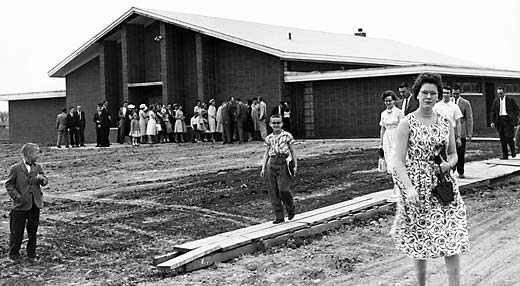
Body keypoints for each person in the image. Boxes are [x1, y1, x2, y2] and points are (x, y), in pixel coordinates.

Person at [392, 72, 469, 286]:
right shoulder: (407, 123)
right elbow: (397, 161)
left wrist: (449, 164)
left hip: (443, 186)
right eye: (424, 92)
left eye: (433, 93)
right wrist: (409, 188)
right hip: (416, 186)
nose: (428, 97)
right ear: (417, 95)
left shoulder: (446, 122)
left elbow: (453, 154)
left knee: (452, 236)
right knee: (420, 238)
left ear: (438, 96)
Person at [5, 143, 48, 263]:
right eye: (37, 152)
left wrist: (43, 179)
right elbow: (9, 184)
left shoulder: (38, 167)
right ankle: (14, 254)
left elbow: (45, 180)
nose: (38, 155)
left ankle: (31, 254)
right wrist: (17, 197)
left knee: (33, 231)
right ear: (29, 153)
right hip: (20, 206)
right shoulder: (16, 168)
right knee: (16, 231)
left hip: (35, 204)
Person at [260, 114, 297, 224]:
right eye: (274, 123)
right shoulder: (269, 138)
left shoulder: (287, 136)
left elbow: (293, 151)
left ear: (282, 123)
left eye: (278, 122)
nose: (276, 125)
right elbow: (266, 153)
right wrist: (263, 167)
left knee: (283, 189)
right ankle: (279, 215)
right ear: (270, 124)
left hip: (284, 162)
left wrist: (295, 165)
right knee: (273, 190)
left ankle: (290, 207)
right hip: (272, 163)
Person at [378, 90, 404, 202]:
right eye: (386, 101)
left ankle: (399, 187)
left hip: (397, 137)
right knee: (389, 161)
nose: (388, 103)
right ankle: (395, 185)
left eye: (390, 100)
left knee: (396, 162)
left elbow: (403, 127)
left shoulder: (399, 112)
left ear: (394, 101)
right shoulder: (383, 114)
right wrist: (381, 143)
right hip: (387, 138)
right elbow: (382, 128)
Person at [490, 87, 519, 159]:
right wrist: (492, 122)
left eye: (501, 93)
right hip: (500, 120)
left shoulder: (510, 100)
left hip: (508, 120)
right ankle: (505, 155)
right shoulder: (496, 101)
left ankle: (513, 150)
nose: (500, 95)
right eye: (498, 94)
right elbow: (493, 112)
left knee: (509, 137)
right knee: (502, 138)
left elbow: (517, 109)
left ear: (504, 93)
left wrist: (513, 117)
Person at [433, 86, 463, 152]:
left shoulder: (455, 107)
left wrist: (458, 137)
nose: (445, 95)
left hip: (451, 134)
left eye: (447, 93)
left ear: (450, 94)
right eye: (444, 93)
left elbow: (458, 123)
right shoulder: (436, 106)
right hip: (439, 134)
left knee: (451, 155)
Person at [452, 85, 473, 178]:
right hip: (451, 130)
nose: (455, 95)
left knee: (460, 152)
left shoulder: (465, 103)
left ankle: (460, 171)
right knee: (451, 152)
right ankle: (451, 171)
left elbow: (469, 118)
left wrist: (469, 133)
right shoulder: (448, 102)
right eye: (454, 94)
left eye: (457, 94)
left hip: (462, 130)